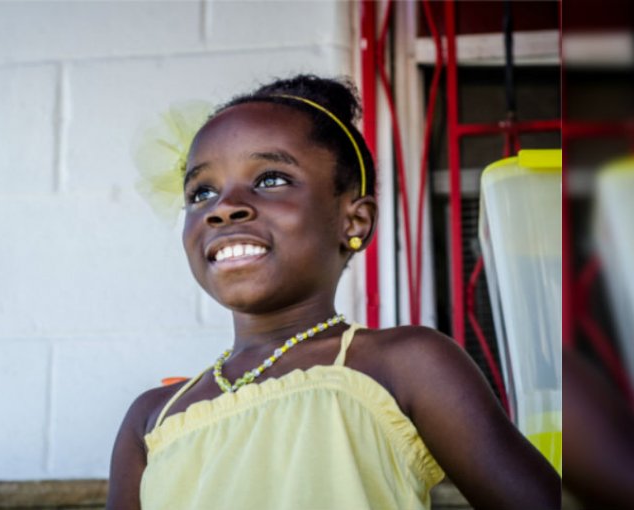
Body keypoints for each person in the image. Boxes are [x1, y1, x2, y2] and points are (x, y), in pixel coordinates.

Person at [108, 74, 560, 510]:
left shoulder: (406, 364)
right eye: (201, 191)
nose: (223, 208)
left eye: (269, 179)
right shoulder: (152, 418)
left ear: (354, 221)